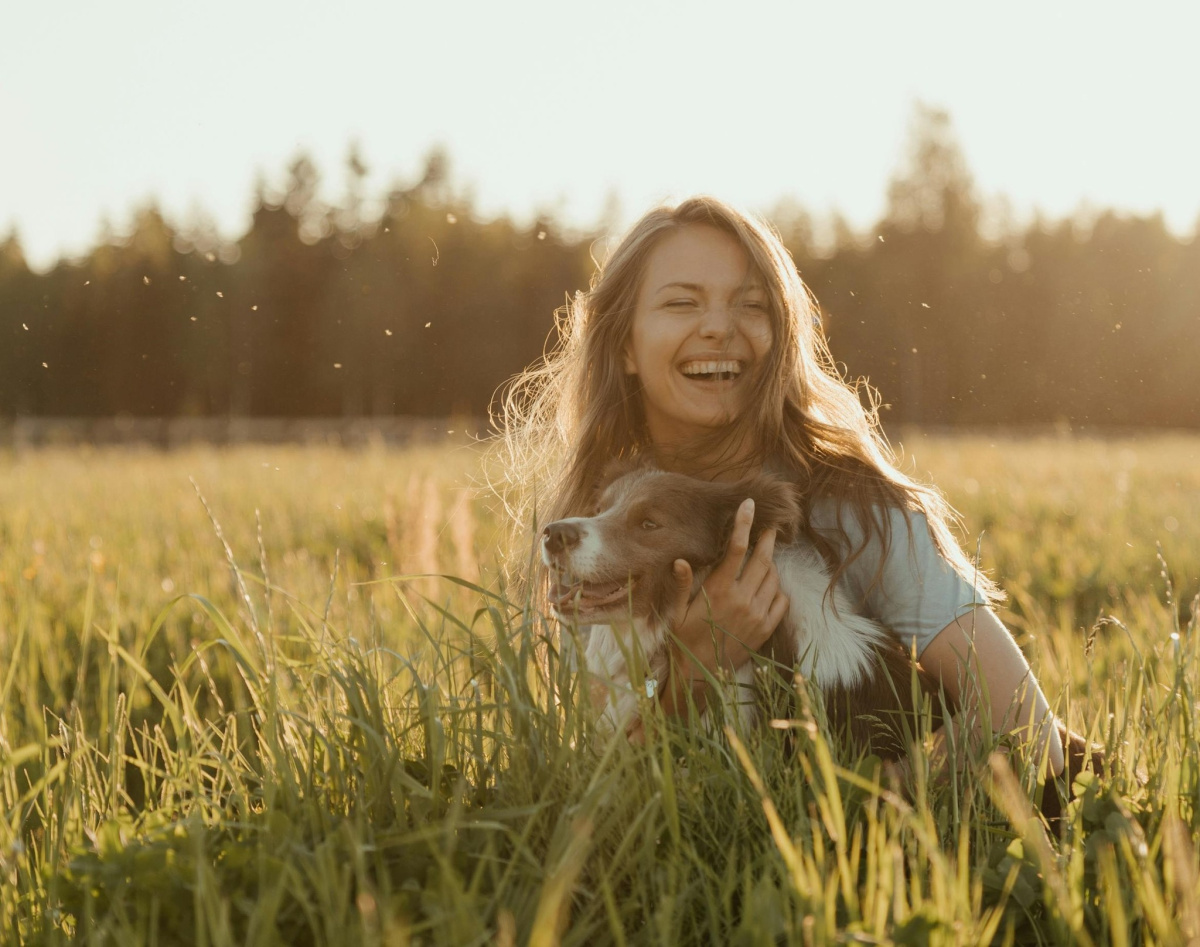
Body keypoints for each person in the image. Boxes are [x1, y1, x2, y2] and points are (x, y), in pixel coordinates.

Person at [496, 196, 1064, 775]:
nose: (719, 327)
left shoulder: (859, 510)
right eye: (681, 302)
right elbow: (602, 780)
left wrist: (863, 802)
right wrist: (693, 666)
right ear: (624, 344)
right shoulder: (592, 527)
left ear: (783, 335)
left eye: (752, 304)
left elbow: (1035, 736)